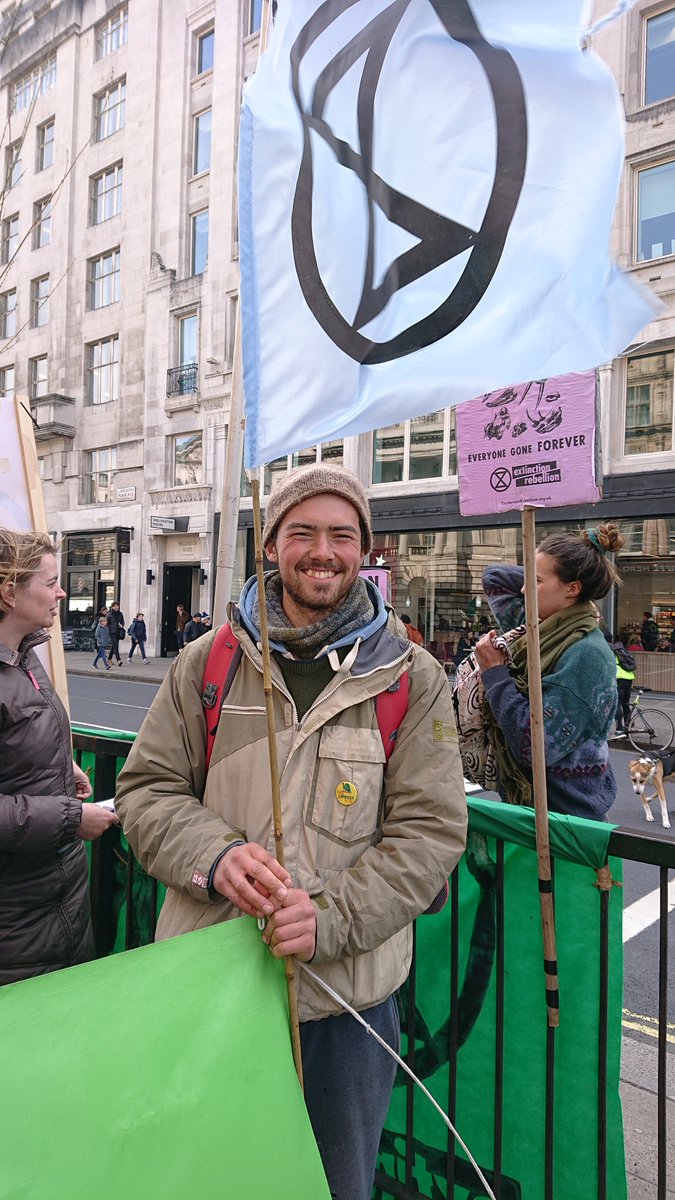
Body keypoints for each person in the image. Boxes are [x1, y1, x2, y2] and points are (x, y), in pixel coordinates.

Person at [115, 464, 467, 1200]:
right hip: (209, 988)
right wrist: (212, 856)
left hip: (346, 1008)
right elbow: (145, 793)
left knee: (330, 1186)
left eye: (343, 535)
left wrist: (331, 917)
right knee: (203, 1180)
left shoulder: (414, 676)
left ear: (363, 549)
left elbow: (430, 834)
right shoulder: (204, 663)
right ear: (270, 545)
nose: (323, 551)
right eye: (301, 532)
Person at [0, 529, 119, 985]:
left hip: (58, 903)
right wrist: (72, 819)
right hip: (16, 926)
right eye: (50, 582)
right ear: (10, 592)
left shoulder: (25, 655)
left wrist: (59, 765)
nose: (62, 591)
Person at [473, 524, 623, 821]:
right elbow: (494, 578)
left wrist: (495, 673)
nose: (524, 589)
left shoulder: (586, 654)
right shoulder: (541, 626)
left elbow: (535, 747)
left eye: (536, 581)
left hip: (567, 820)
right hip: (534, 806)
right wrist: (545, 570)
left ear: (572, 588)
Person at [610, 634, 635, 737]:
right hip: (629, 677)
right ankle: (628, 727)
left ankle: (619, 729)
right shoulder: (622, 650)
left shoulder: (612, 651)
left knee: (618, 703)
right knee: (626, 703)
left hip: (619, 678)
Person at [106, 600, 125, 665]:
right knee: (116, 646)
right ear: (112, 607)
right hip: (112, 632)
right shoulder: (109, 614)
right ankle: (118, 660)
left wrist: (122, 625)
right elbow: (106, 623)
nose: (117, 607)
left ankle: (109, 659)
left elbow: (122, 621)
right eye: (116, 606)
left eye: (118, 606)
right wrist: (107, 631)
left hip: (118, 631)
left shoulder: (120, 614)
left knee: (114, 646)